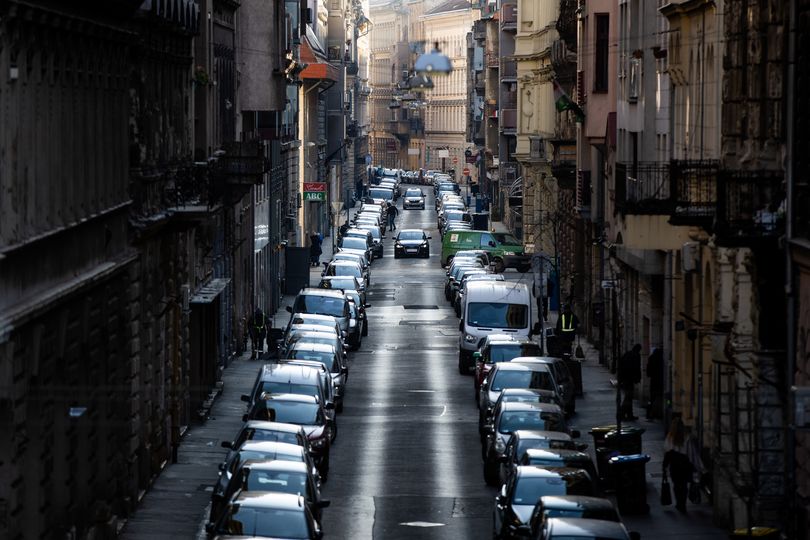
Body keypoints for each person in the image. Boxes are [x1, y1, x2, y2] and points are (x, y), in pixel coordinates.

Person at [663, 415, 703, 513]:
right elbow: (692, 453)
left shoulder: (670, 438)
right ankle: (683, 503)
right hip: (685, 466)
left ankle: (679, 503)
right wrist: (700, 468)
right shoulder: (687, 438)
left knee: (677, 485)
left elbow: (667, 451)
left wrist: (665, 466)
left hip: (674, 466)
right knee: (684, 485)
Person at [618, 343, 642, 420]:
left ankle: (629, 414)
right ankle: (622, 414)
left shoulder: (627, 354)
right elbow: (636, 368)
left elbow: (620, 364)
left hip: (625, 379)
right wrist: (637, 378)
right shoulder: (636, 356)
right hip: (629, 379)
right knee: (628, 397)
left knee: (629, 397)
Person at [646, 347, 664, 419]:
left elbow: (648, 372)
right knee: (658, 397)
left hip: (653, 381)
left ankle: (649, 412)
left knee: (651, 398)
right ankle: (657, 412)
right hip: (659, 380)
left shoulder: (651, 359)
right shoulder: (660, 359)